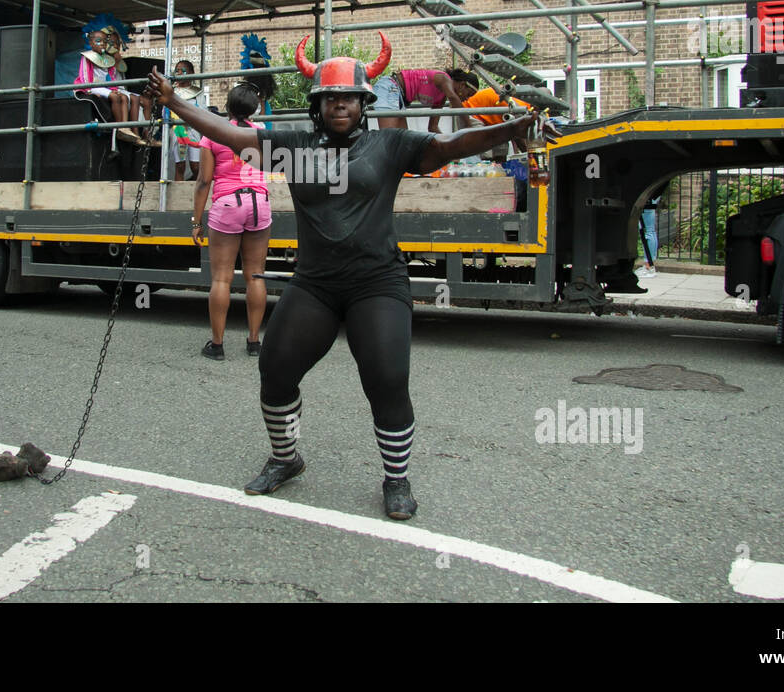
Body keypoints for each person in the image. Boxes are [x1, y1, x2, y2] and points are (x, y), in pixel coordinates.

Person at [146, 32, 556, 521]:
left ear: (364, 102)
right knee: (275, 369)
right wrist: (174, 103)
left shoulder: (392, 144)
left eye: (348, 97)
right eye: (329, 97)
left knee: (386, 379)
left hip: (377, 283)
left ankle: (396, 478)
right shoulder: (290, 146)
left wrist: (510, 127)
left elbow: (450, 144)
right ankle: (285, 458)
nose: (339, 104)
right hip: (315, 284)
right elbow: (229, 134)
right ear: (317, 104)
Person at [194, 83, 272, 361]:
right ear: (254, 109)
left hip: (227, 204)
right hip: (259, 204)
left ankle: (217, 346)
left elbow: (204, 181)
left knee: (222, 278)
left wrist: (196, 221)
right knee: (255, 275)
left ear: (227, 107)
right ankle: (254, 343)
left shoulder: (213, 134)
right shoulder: (262, 134)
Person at [73, 14, 157, 147]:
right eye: (108, 42)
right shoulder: (88, 57)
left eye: (112, 43)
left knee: (138, 100)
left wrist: (113, 88)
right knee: (120, 97)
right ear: (91, 43)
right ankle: (122, 128)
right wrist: (90, 90)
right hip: (94, 86)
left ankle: (140, 133)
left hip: (111, 88)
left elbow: (112, 78)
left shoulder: (110, 60)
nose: (109, 45)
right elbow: (85, 77)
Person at [372, 67, 478, 132]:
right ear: (462, 85)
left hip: (400, 98)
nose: (466, 99)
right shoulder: (444, 79)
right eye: (468, 94)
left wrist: (449, 148)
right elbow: (453, 98)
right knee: (389, 137)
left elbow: (433, 127)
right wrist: (469, 126)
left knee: (402, 142)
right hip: (390, 88)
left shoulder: (440, 99)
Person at [170, 60, 202, 180]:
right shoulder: (171, 92)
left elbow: (203, 112)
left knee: (196, 166)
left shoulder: (197, 92)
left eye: (183, 70)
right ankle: (178, 194)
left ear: (191, 73)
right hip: (177, 131)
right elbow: (166, 112)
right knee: (180, 165)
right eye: (177, 70)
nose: (179, 73)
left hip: (193, 131)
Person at [638, 195, 660, 278]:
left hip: (647, 199)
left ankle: (648, 267)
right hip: (651, 198)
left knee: (648, 232)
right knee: (651, 231)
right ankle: (650, 265)